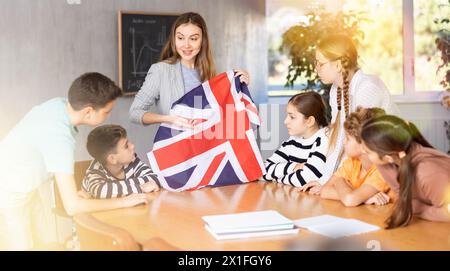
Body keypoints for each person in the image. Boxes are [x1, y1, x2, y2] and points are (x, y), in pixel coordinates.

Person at [0, 73, 148, 250]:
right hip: (10, 191)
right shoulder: (59, 137)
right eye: (107, 112)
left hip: (24, 184)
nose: (109, 117)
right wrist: (124, 201)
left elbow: (47, 156)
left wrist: (71, 193)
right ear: (88, 112)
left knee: (40, 242)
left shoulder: (61, 105)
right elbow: (72, 207)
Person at [129, 12, 250, 128]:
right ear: (174, 39)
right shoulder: (160, 71)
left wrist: (239, 87)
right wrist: (169, 119)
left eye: (193, 39)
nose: (186, 45)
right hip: (175, 144)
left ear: (203, 41)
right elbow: (134, 112)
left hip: (207, 145)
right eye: (181, 38)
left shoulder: (210, 73)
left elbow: (224, 112)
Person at [315, 34, 398, 182]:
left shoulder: (368, 88)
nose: (316, 69)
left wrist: (333, 181)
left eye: (320, 64)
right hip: (366, 162)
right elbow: (338, 136)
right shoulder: (336, 90)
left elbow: (358, 142)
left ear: (338, 64)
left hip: (387, 164)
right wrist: (325, 179)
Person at [361, 115, 450, 227]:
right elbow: (401, 196)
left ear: (388, 157)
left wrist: (419, 209)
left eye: (368, 151)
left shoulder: (428, 172)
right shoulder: (385, 163)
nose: (362, 151)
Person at [301, 107, 392, 207]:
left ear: (364, 146)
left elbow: (350, 200)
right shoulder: (352, 162)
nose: (344, 142)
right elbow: (325, 191)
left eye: (348, 139)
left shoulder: (382, 170)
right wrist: (364, 199)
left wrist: (340, 182)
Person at [262, 91, 329, 187]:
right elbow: (261, 170)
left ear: (310, 121)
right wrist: (293, 167)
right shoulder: (293, 141)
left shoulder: (323, 140)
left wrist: (275, 177)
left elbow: (304, 180)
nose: (285, 121)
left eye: (292, 117)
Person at [82, 125, 160, 199]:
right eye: (126, 146)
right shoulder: (95, 171)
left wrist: (119, 189)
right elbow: (100, 190)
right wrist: (140, 187)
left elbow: (154, 178)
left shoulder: (131, 161)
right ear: (112, 159)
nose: (132, 146)